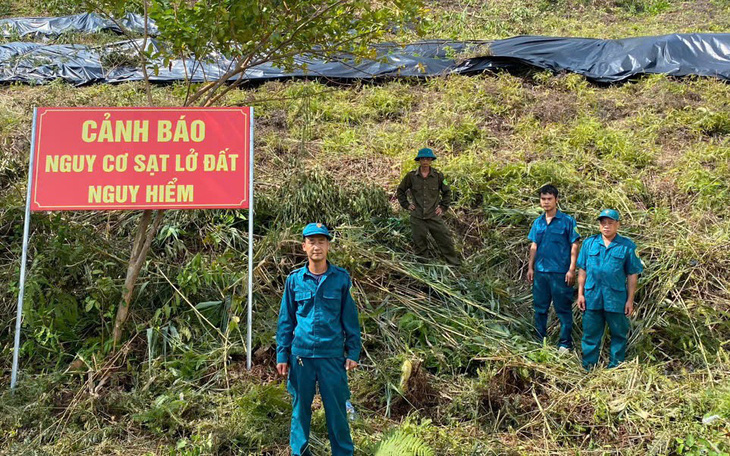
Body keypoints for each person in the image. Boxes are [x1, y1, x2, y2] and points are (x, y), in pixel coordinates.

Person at [276, 223, 361, 456]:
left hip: (331, 356)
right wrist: (282, 354)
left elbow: (350, 319)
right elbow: (286, 320)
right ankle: (299, 453)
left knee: (336, 412)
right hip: (301, 356)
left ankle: (343, 453)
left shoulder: (341, 279)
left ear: (328, 246)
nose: (317, 247)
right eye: (312, 242)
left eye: (321, 241)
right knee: (300, 411)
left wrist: (353, 352)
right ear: (304, 247)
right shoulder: (294, 280)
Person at [577, 209, 643, 369]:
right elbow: (582, 270)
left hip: (616, 299)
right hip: (592, 297)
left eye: (610, 223)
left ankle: (615, 367)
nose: (606, 226)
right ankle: (588, 367)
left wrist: (630, 300)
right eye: (603, 223)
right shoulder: (589, 244)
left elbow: (632, 274)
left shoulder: (627, 246)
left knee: (619, 334)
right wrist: (580, 294)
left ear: (617, 225)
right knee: (590, 335)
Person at [527, 185, 581, 352]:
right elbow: (534, 245)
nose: (546, 202)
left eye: (549, 199)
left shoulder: (567, 221)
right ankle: (539, 341)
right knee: (540, 308)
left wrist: (572, 269)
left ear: (556, 200)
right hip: (541, 273)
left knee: (563, 309)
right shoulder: (538, 222)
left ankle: (565, 344)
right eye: (543, 199)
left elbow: (575, 244)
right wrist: (530, 267)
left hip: (560, 273)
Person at [396, 147, 461, 266]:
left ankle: (454, 264)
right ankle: (424, 268)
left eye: (427, 158)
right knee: (419, 243)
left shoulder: (438, 176)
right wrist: (406, 205)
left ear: (431, 160)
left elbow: (447, 192)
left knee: (445, 239)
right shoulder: (411, 176)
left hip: (433, 215)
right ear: (419, 160)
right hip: (417, 216)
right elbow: (400, 191)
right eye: (422, 159)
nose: (425, 161)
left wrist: (442, 207)